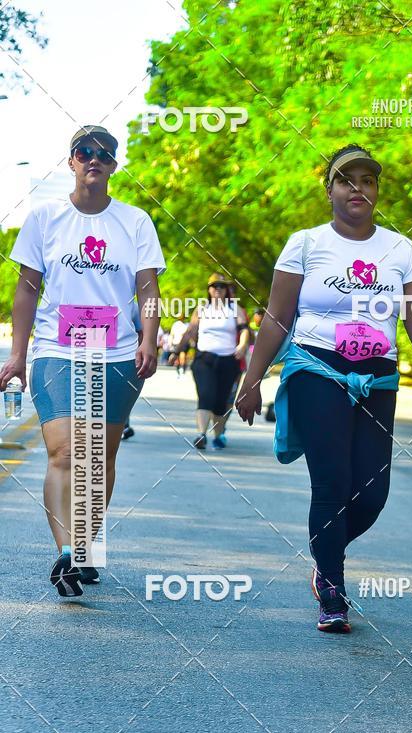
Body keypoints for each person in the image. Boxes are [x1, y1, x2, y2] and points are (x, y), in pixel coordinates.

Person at [236, 144, 412, 633]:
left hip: (379, 376)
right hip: (317, 371)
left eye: (367, 181)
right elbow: (276, 317)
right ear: (329, 189)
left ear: (376, 191)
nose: (359, 188)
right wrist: (252, 380)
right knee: (331, 482)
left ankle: (323, 553)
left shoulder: (400, 248)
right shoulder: (306, 244)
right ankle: (332, 588)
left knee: (372, 492)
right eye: (346, 180)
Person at [0, 125, 165, 596]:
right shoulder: (44, 218)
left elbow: (149, 289)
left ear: (114, 165)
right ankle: (68, 552)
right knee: (65, 451)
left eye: (104, 154)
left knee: (100, 456)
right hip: (57, 348)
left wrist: (148, 339)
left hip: (115, 352)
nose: (94, 158)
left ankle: (85, 548)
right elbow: (27, 289)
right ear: (71, 161)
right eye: (84, 151)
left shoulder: (134, 222)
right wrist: (17, 353)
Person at [177, 273, 249, 450]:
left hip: (227, 361)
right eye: (214, 286)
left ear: (226, 290)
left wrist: (242, 345)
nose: (218, 289)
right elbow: (191, 332)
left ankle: (217, 435)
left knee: (220, 401)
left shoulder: (234, 309)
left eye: (221, 286)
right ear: (208, 290)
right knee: (206, 396)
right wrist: (179, 351)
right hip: (204, 360)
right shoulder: (201, 309)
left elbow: (245, 329)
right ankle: (201, 434)